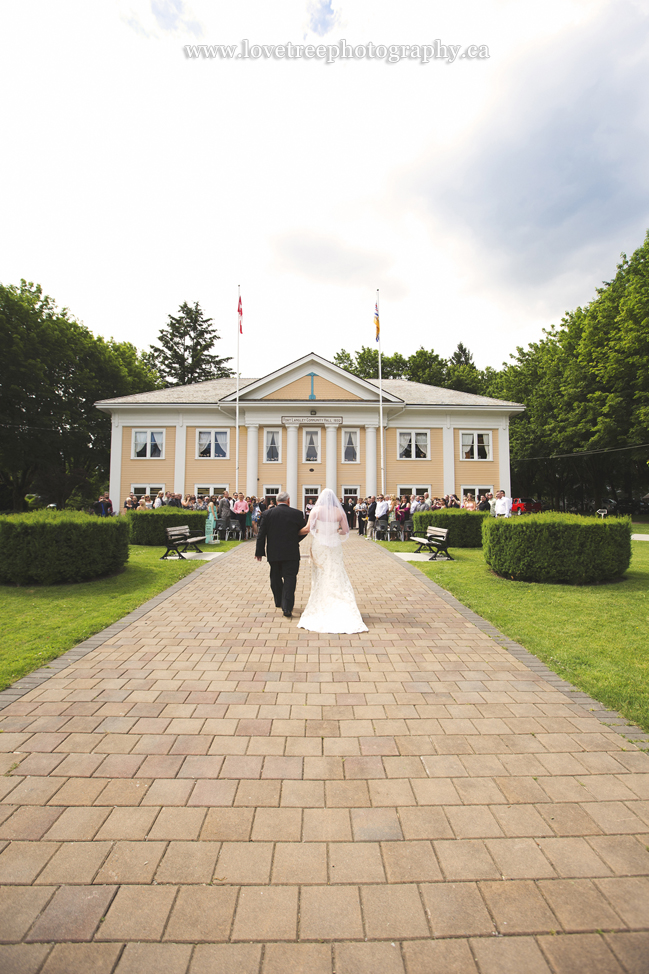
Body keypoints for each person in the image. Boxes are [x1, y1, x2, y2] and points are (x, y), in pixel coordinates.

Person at [297, 488, 368, 634]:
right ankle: (341, 602)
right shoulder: (339, 512)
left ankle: (322, 600)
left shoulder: (316, 510)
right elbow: (346, 530)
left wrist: (294, 532)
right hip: (334, 544)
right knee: (336, 570)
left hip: (320, 544)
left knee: (321, 571)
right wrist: (336, 531)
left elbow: (309, 528)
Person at [255, 491, 306, 618]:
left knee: (275, 577)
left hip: (274, 551)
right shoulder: (297, 514)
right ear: (288, 500)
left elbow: (261, 534)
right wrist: (294, 540)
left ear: (276, 502)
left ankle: (278, 601)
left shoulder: (267, 514)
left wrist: (259, 551)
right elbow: (304, 531)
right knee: (290, 578)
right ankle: (287, 607)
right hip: (291, 552)